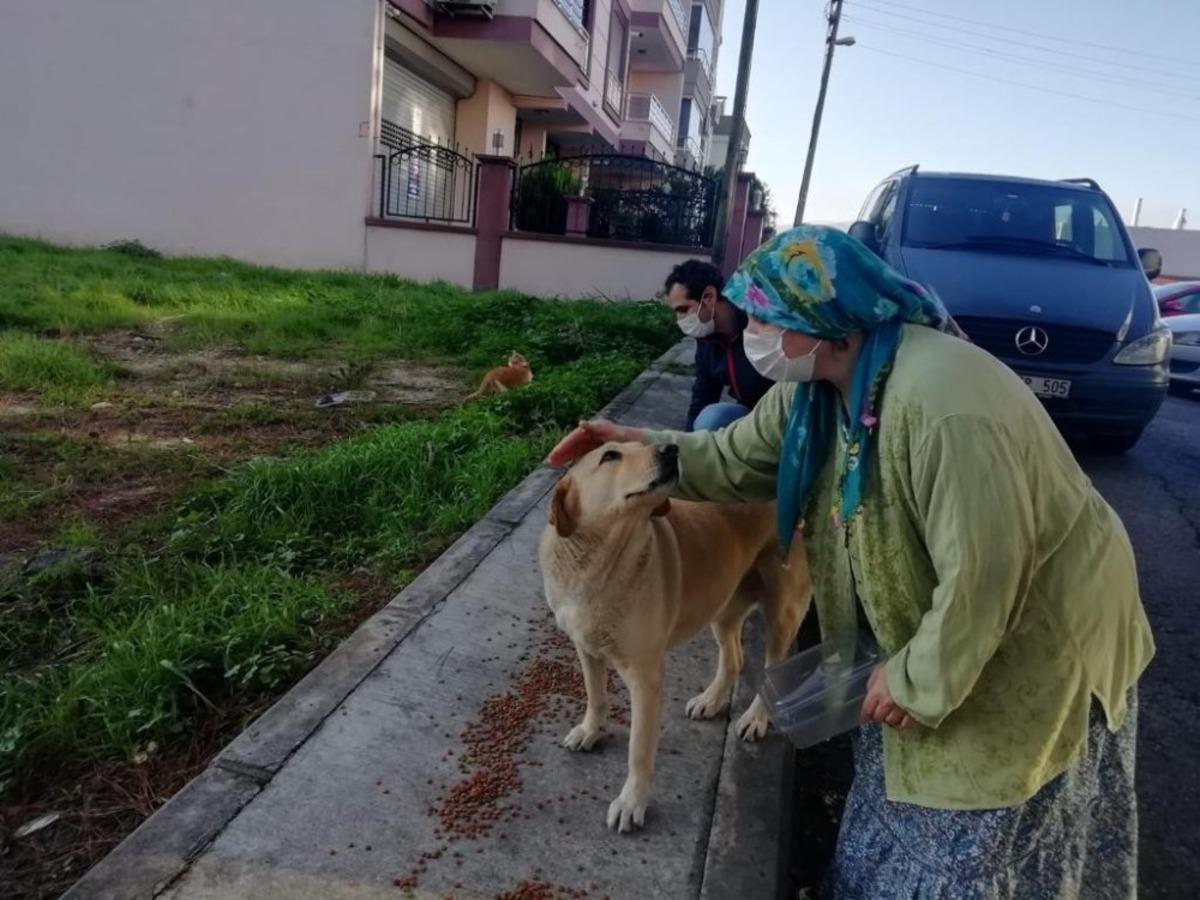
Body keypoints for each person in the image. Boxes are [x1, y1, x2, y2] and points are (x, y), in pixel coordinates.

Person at [549, 226, 1154, 899]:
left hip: (1039, 633)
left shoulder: (943, 403)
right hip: (948, 623)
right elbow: (731, 457)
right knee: (901, 784)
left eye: (765, 318)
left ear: (827, 324)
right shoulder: (817, 390)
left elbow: (989, 571)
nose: (751, 332)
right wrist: (637, 444)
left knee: (973, 831)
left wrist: (916, 678)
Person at [662, 259, 773, 431]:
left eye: (683, 310)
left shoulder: (758, 324)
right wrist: (687, 447)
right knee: (710, 419)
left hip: (784, 414)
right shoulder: (707, 341)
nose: (679, 320)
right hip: (751, 415)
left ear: (709, 297)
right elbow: (702, 397)